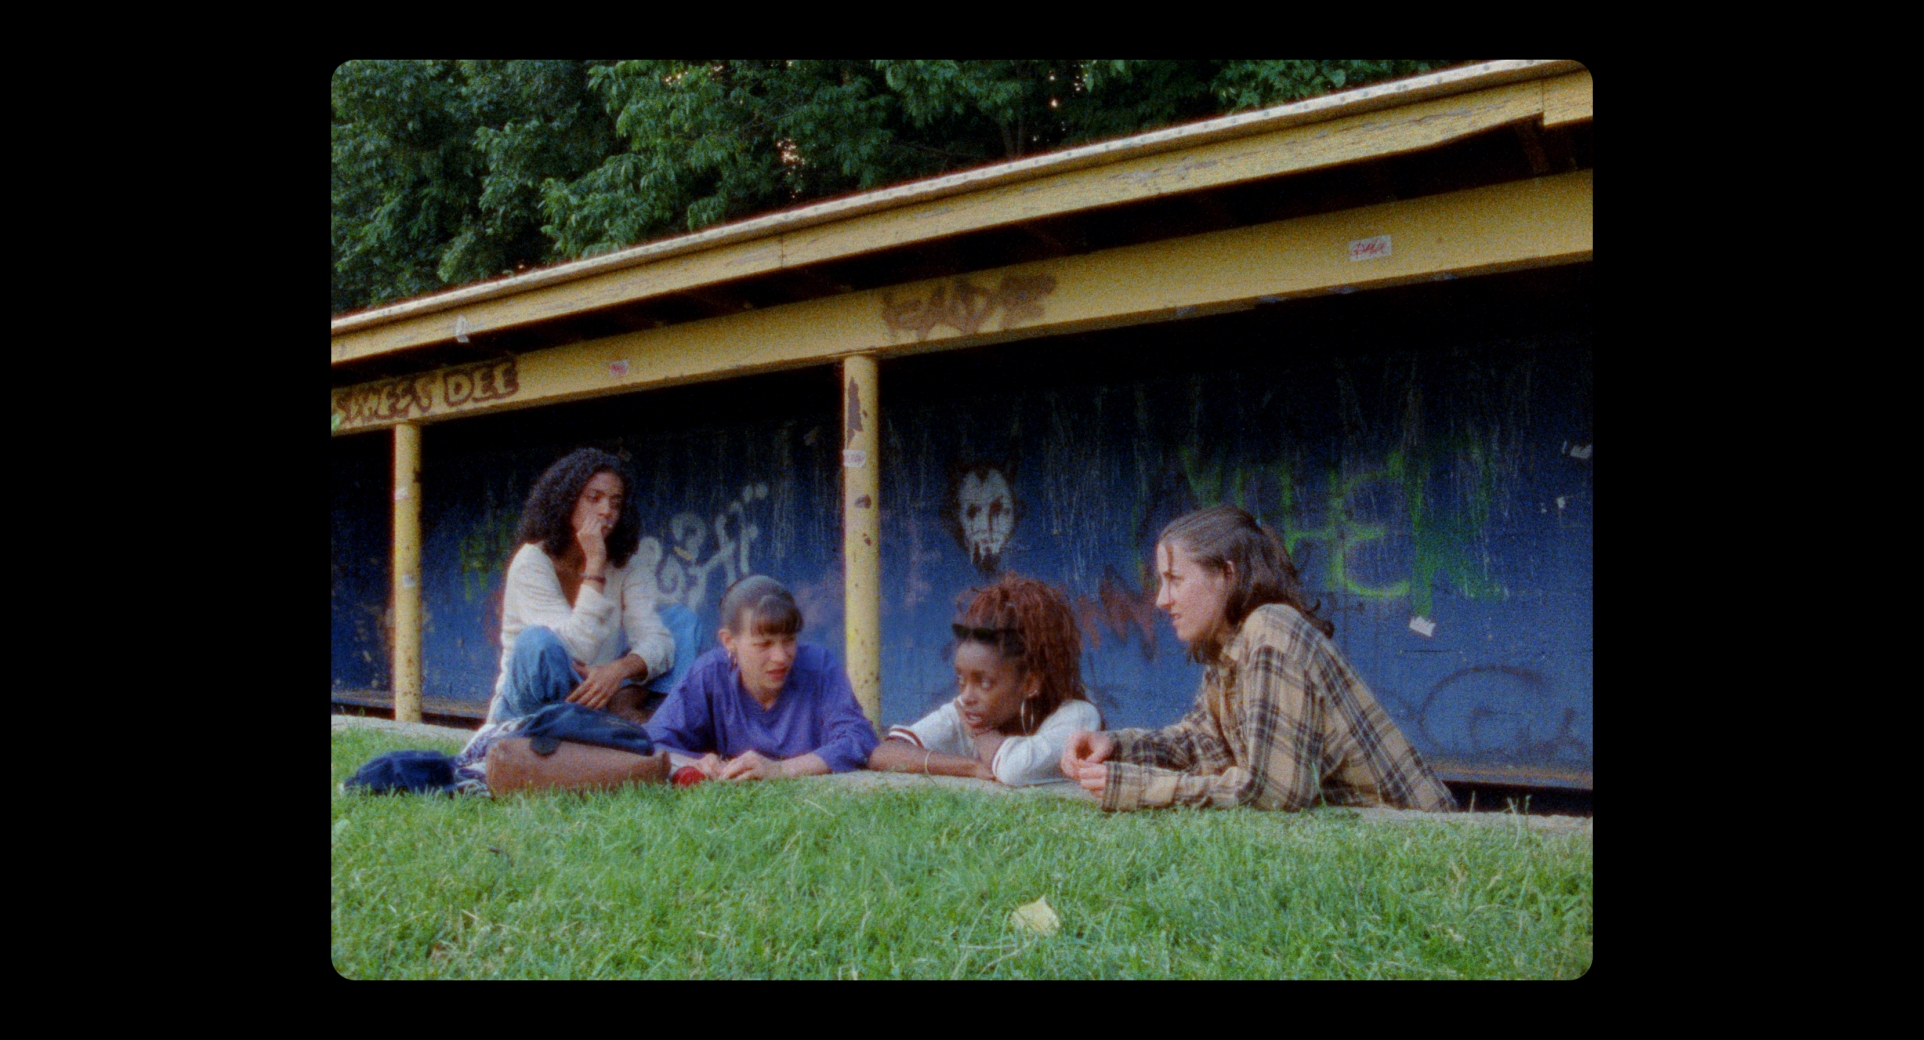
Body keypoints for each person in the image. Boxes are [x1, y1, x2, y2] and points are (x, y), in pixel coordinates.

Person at [1060, 505, 1455, 813]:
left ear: (1226, 575)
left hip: (1412, 830)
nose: (1162, 600)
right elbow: (1201, 745)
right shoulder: (1230, 645)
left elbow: (1276, 793)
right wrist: (1114, 746)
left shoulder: (1271, 629)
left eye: (1175, 580)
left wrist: (1144, 789)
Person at [481, 447, 696, 727]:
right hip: (529, 708)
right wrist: (594, 564)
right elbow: (573, 650)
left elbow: (658, 642)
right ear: (566, 501)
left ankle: (629, 714)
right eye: (594, 499)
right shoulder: (531, 562)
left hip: (594, 697)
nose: (606, 511)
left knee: (681, 622)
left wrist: (617, 670)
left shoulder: (625, 565)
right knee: (537, 641)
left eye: (615, 503)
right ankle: (566, 733)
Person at [869, 574, 1099, 786]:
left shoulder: (1078, 716)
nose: (967, 696)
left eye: (985, 683)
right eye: (961, 679)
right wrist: (968, 767)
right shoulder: (968, 710)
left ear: (1029, 684)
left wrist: (981, 733)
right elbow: (883, 753)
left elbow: (1013, 770)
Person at [646, 575, 879, 780]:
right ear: (729, 641)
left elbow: (859, 738)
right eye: (764, 644)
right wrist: (696, 763)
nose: (780, 657)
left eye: (789, 640)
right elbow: (649, 743)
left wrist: (781, 769)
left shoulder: (819, 667)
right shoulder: (709, 674)